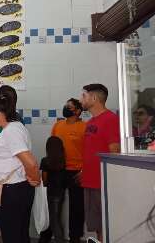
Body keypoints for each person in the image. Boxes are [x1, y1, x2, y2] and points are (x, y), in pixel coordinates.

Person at [0, 94, 40, 243]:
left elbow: (30, 162)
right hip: (15, 188)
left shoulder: (11, 131)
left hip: (13, 190)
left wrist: (34, 179)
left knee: (12, 235)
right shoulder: (13, 127)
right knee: (19, 233)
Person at [80, 83, 120, 242]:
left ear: (94, 98)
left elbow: (114, 152)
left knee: (107, 225)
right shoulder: (90, 123)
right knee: (97, 226)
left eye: (83, 96)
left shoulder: (110, 119)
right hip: (89, 182)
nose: (80, 99)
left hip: (103, 184)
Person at [51, 98, 86, 243]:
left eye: (69, 107)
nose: (66, 108)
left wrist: (84, 170)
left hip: (77, 171)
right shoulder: (58, 125)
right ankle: (50, 235)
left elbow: (89, 151)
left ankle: (75, 238)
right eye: (66, 105)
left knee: (77, 207)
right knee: (53, 204)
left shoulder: (84, 127)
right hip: (58, 169)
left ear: (78, 111)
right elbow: (52, 146)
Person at [39, 136, 68, 243]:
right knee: (56, 219)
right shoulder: (64, 162)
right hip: (60, 193)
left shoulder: (45, 161)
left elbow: (44, 180)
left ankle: (57, 240)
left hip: (49, 193)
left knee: (52, 220)